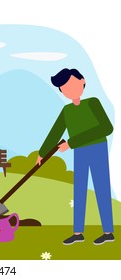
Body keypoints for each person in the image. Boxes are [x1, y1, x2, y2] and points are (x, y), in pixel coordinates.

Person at [37, 68, 114, 245]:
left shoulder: (92, 103)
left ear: (82, 81)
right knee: (79, 190)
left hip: (97, 149)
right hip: (80, 153)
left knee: (101, 188)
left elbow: (106, 128)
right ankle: (78, 232)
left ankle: (108, 231)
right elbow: (55, 133)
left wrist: (71, 143)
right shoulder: (67, 111)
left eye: (71, 84)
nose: (69, 90)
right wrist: (42, 153)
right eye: (64, 88)